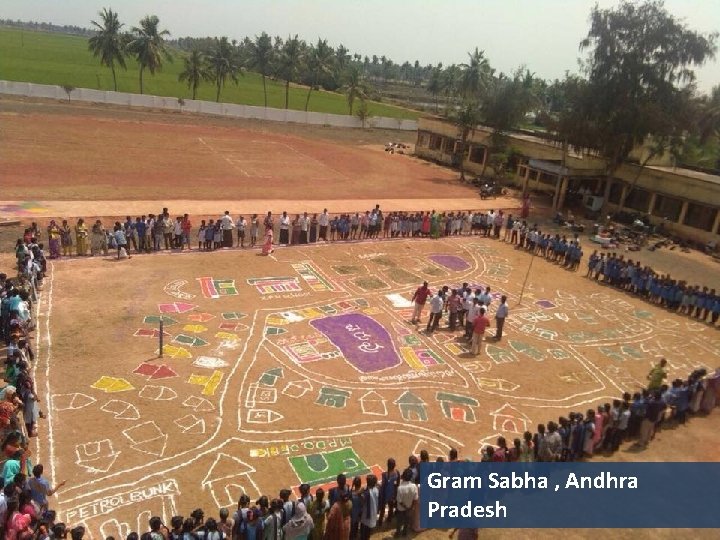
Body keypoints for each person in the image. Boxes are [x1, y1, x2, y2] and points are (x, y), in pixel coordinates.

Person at [394, 468, 417, 538]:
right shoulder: (414, 486)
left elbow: (399, 501)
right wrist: (411, 507)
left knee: (399, 522)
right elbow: (415, 499)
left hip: (401, 509)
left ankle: (398, 533)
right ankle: (404, 533)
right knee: (407, 521)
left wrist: (406, 507)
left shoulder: (400, 488)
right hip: (409, 508)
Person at [359, 475, 378, 540]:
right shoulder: (376, 489)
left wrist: (360, 493)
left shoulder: (366, 493)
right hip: (374, 511)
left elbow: (362, 501)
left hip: (367, 514)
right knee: (368, 530)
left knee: (364, 529)